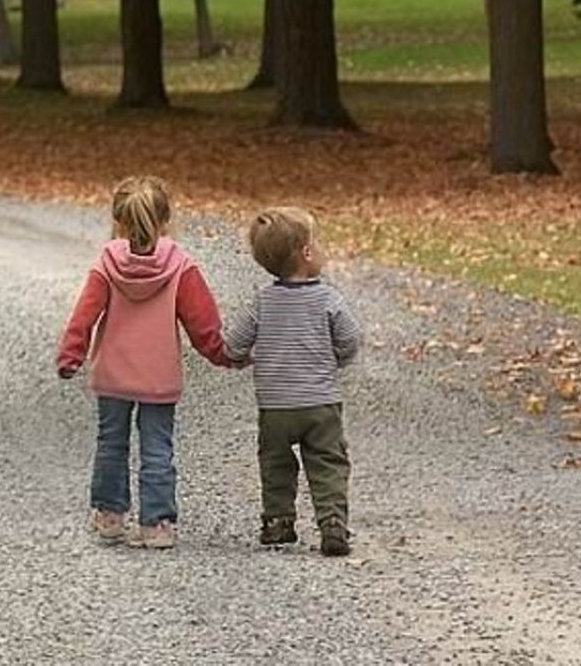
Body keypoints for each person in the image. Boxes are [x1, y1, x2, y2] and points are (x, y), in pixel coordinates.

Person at [57, 174, 231, 550]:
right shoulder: (181, 267)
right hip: (158, 375)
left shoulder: (106, 264)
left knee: (111, 443)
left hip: (113, 374)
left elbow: (84, 315)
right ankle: (157, 524)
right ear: (167, 220)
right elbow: (203, 322)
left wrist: (71, 354)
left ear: (118, 222)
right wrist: (223, 354)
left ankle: (110, 516)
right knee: (157, 448)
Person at [224, 206, 359, 556]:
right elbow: (349, 340)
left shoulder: (262, 302)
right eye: (318, 242)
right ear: (308, 253)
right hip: (321, 403)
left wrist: (242, 358)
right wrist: (338, 360)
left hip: (276, 407)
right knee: (328, 461)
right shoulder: (328, 299)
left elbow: (234, 343)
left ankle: (278, 522)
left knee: (276, 463)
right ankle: (332, 523)